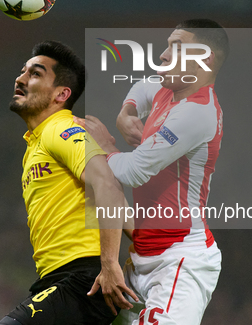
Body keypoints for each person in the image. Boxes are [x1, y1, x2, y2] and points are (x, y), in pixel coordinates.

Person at [81, 19, 229, 325]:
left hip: (179, 263)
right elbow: (141, 87)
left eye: (176, 47)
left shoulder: (197, 113)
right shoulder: (168, 89)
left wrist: (105, 146)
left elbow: (134, 171)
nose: (163, 55)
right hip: (141, 257)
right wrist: (127, 113)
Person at [0, 40, 138, 325]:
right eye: (22, 71)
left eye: (35, 74)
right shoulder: (36, 144)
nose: (20, 78)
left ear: (62, 94)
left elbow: (108, 184)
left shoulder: (59, 130)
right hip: (60, 281)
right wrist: (143, 242)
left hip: (81, 282)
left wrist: (110, 263)